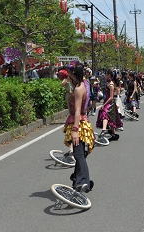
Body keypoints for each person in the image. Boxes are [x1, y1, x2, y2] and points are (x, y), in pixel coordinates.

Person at [63, 62, 95, 193]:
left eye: (69, 74)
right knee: (80, 154)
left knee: (79, 155)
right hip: (84, 121)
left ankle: (82, 181)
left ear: (72, 74)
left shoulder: (78, 89)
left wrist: (75, 131)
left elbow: (77, 111)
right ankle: (79, 179)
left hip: (79, 123)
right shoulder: (85, 84)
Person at [96, 69, 123, 142]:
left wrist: (104, 104)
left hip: (110, 103)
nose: (104, 75)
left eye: (105, 74)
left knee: (105, 113)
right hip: (107, 101)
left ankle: (104, 130)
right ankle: (114, 134)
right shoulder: (108, 83)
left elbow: (111, 97)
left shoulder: (111, 84)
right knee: (111, 118)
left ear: (109, 75)